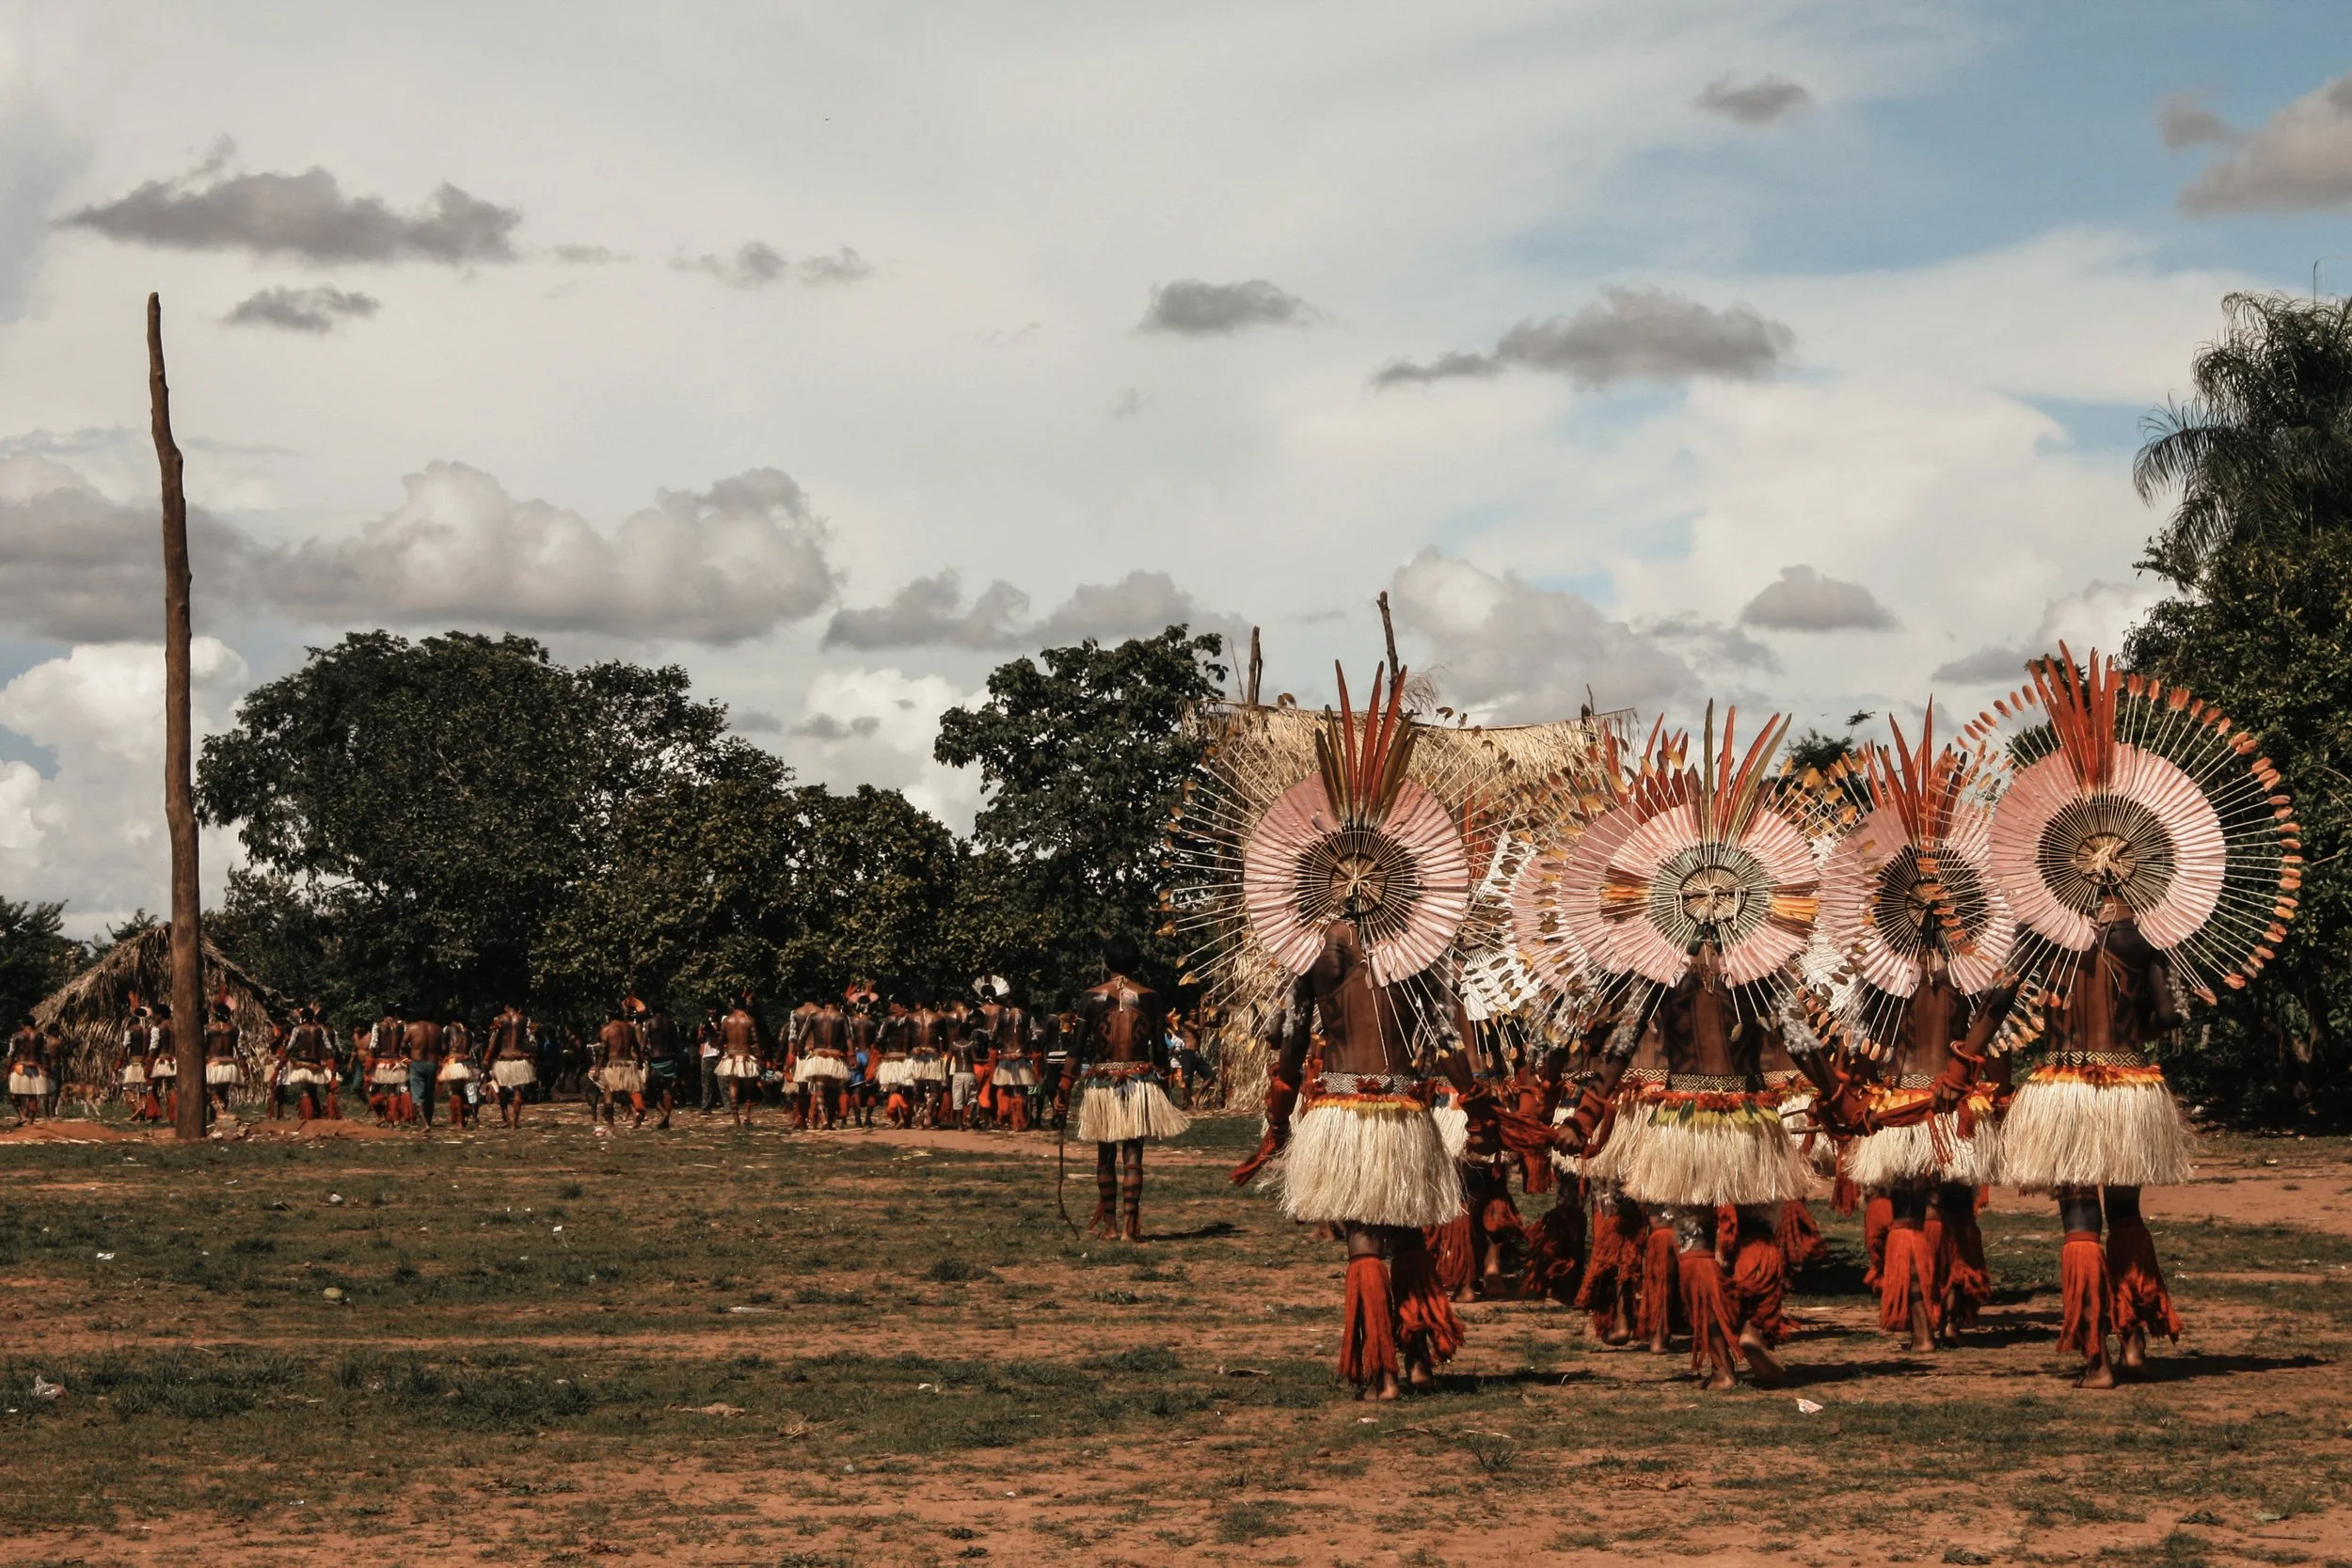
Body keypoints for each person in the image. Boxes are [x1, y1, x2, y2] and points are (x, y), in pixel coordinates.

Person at [1235, 918, 1470, 1400]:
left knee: (1363, 1240)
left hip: (1342, 1114)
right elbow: (1447, 1039)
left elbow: (1293, 1043)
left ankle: (1381, 1372)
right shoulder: (1419, 944)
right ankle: (1419, 1359)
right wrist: (1481, 1106)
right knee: (1409, 1233)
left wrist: (1278, 1121)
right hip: (1404, 1108)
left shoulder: (1313, 951)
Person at [1999, 893, 2190, 1388]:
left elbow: (2000, 997)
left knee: (2081, 1225)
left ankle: (2097, 1360)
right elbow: (2171, 1016)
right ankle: (2133, 1342)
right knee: (2126, 1214)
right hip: (2131, 1091)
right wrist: (2138, 1021)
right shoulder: (2149, 930)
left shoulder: (2042, 927)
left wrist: (1967, 1058)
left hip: (2065, 1092)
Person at [1067, 933, 1191, 1243]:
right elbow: (1160, 1053)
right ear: (1137, 963)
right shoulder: (1150, 997)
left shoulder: (1090, 997)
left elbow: (1077, 1048)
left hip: (1103, 1086)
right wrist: (1164, 1087)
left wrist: (1062, 1089)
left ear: (1105, 961)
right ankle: (1128, 1230)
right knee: (1133, 1157)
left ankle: (1110, 1227)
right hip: (1139, 1083)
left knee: (1105, 1157)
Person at [793, 996, 851, 1130]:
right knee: (832, 1090)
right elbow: (849, 1037)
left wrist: (799, 1050)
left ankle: (824, 1118)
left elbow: (802, 1036)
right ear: (836, 1003)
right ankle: (829, 1122)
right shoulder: (842, 1017)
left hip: (818, 1057)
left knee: (819, 1089)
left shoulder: (814, 1016)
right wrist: (852, 1054)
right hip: (836, 1057)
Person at [715, 995, 766, 1126]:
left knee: (733, 1087)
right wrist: (760, 1056)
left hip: (731, 1056)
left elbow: (720, 1040)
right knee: (749, 1088)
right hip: (746, 1055)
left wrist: (721, 1054)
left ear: (733, 1006)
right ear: (745, 1006)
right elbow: (756, 1040)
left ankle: (736, 1120)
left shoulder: (727, 1020)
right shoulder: (749, 1020)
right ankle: (747, 1117)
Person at [596, 1004, 646, 1127]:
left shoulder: (607, 1029)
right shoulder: (630, 1028)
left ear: (609, 1015)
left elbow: (602, 1051)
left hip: (614, 1063)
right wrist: (640, 1061)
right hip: (629, 1063)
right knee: (625, 1092)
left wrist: (597, 1069)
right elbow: (637, 1047)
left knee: (609, 1091)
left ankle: (610, 1123)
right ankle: (635, 1113)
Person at [638, 1001, 685, 1131]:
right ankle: (666, 1120)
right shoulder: (671, 1023)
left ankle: (663, 1113)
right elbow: (676, 1043)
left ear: (652, 1010)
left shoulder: (649, 1023)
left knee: (651, 1093)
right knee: (666, 1091)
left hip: (656, 1060)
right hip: (670, 1059)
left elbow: (643, 1044)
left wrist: (641, 1058)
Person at [283, 1006, 335, 1121]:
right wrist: (332, 1067)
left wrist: (283, 1061)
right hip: (316, 1064)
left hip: (303, 1063)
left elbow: (289, 1046)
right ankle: (317, 1113)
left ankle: (308, 1116)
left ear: (302, 1017)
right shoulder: (319, 1029)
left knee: (305, 1091)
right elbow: (329, 1048)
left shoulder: (297, 1029)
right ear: (313, 1017)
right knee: (313, 1090)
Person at [489, 1005, 535, 1127]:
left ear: (506, 1007)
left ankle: (507, 1119)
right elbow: (532, 1042)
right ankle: (514, 1123)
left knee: (501, 1090)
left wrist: (486, 1059)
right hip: (519, 1059)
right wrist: (529, 1054)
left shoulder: (499, 1019)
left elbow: (493, 1041)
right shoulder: (525, 1020)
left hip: (503, 1058)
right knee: (518, 1091)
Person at [403, 1010, 444, 1130]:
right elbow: (443, 1047)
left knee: (417, 1095)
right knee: (429, 1094)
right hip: (432, 1064)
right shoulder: (438, 1029)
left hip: (417, 1062)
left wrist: (407, 1056)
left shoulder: (412, 1027)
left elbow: (403, 1044)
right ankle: (429, 1122)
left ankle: (424, 1123)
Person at [440, 1013, 481, 1131]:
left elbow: (443, 1048)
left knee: (455, 1091)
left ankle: (458, 1121)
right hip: (466, 1063)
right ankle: (465, 1114)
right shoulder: (469, 1032)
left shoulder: (449, 1028)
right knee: (461, 1090)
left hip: (454, 1061)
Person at [202, 1000, 241, 1120]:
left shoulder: (208, 1029)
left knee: (213, 1092)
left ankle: (221, 1114)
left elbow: (203, 1046)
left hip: (213, 1064)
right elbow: (240, 1048)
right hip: (230, 1065)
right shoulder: (234, 1030)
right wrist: (243, 1065)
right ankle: (217, 1120)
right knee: (223, 1093)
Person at [8, 1014, 49, 1124]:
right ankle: (30, 1122)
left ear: (23, 1024)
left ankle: (22, 1116)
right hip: (37, 1067)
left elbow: (12, 1054)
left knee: (13, 1094)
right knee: (32, 1095)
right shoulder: (41, 1036)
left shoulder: (17, 1036)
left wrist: (6, 1070)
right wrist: (46, 1068)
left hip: (20, 1067)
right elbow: (45, 1053)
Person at [119, 1006, 155, 1120]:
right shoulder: (150, 1031)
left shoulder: (131, 1031)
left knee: (127, 1089)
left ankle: (138, 1108)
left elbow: (125, 1047)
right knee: (143, 1090)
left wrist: (118, 1061)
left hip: (134, 1063)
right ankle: (142, 1115)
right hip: (145, 1064)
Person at [697, 1008, 723, 1116]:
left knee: (723, 1083)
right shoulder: (703, 1022)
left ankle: (728, 1106)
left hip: (719, 1054)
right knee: (707, 1084)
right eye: (710, 1009)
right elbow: (699, 1039)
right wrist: (702, 1034)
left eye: (714, 1009)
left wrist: (713, 1031)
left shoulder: (723, 1020)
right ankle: (706, 1108)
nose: (712, 1011)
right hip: (707, 1054)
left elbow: (724, 1035)